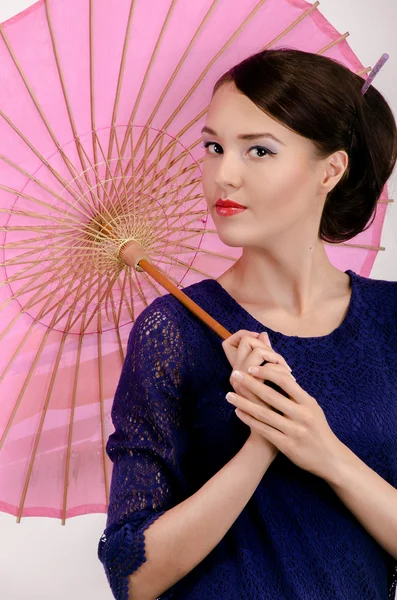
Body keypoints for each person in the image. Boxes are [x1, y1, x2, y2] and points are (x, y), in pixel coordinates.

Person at [98, 48, 397, 600]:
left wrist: (323, 450)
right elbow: (132, 574)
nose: (223, 175)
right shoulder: (172, 330)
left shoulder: (391, 321)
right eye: (214, 147)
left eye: (258, 150)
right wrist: (260, 442)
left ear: (330, 170)